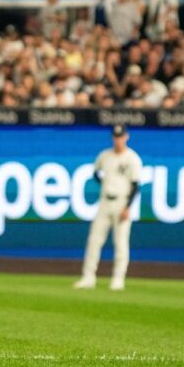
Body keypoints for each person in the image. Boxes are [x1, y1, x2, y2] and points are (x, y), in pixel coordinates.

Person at [74, 125, 143, 291]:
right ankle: (88, 277)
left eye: (121, 136)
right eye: (115, 137)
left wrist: (127, 207)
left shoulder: (132, 158)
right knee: (94, 240)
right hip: (105, 201)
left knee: (120, 243)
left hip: (121, 202)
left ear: (126, 137)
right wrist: (104, 183)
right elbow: (95, 173)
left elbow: (135, 185)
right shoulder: (105, 156)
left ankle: (118, 279)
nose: (118, 140)